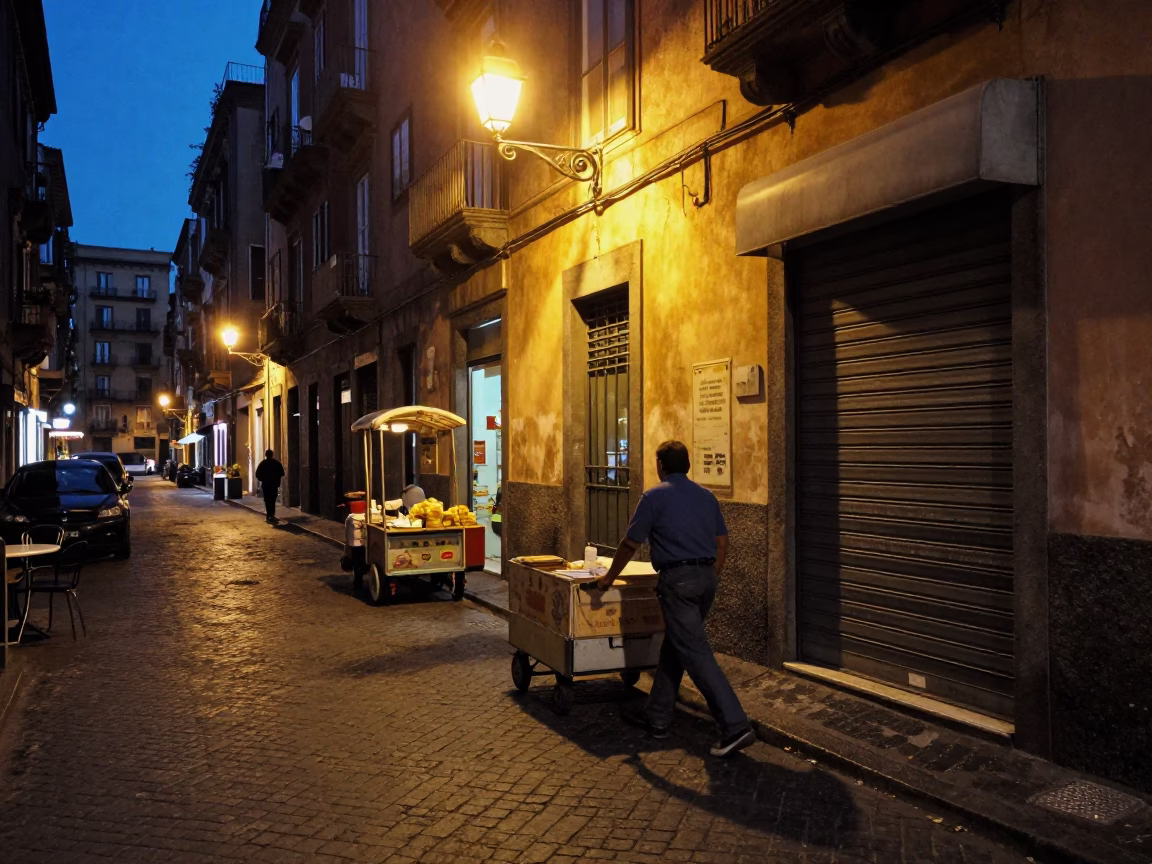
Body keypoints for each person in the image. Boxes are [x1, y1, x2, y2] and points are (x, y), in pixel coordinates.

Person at [594, 440, 754, 757]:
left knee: (694, 652)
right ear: (688, 466)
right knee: (677, 646)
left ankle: (735, 726)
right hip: (706, 578)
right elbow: (722, 542)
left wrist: (608, 578)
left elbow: (630, 543)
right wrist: (710, 575)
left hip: (677, 581)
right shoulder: (706, 497)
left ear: (660, 466)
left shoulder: (654, 497)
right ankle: (657, 718)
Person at [254, 449, 285, 523]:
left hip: (266, 485)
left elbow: (257, 474)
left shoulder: (262, 463)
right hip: (274, 485)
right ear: (272, 455)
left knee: (267, 500)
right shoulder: (276, 463)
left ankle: (269, 515)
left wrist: (262, 479)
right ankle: (272, 515)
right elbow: (282, 473)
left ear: (266, 455)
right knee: (272, 500)